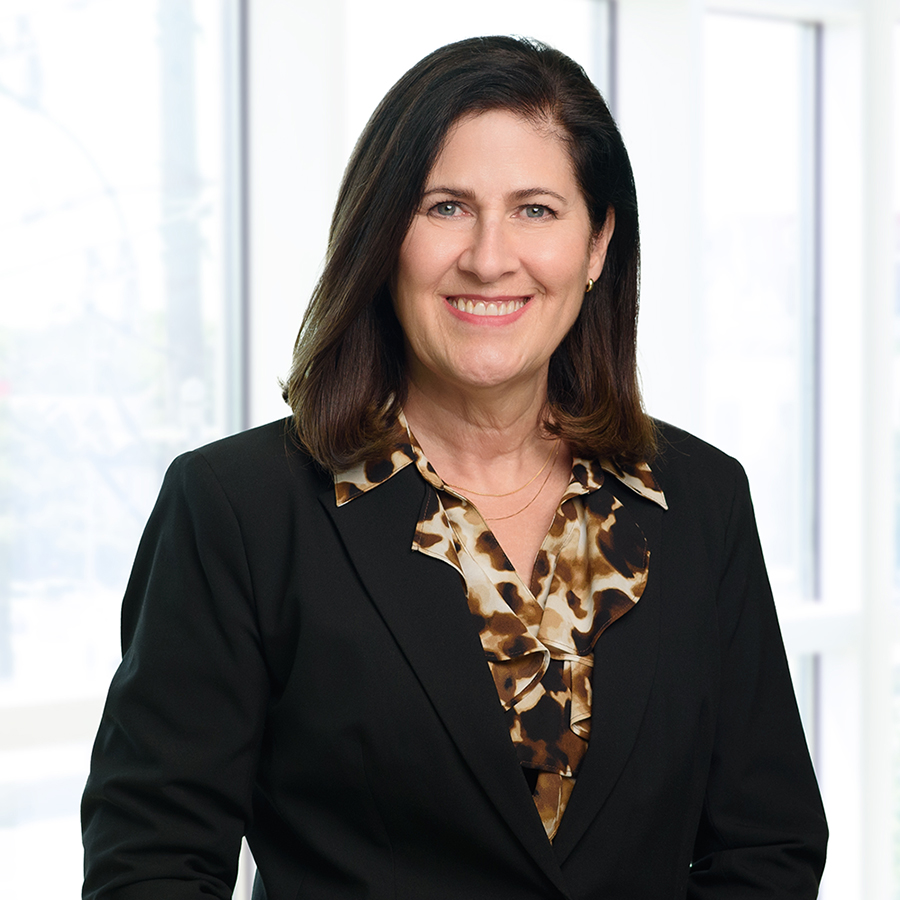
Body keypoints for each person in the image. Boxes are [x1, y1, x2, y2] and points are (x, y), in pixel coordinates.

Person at [82, 35, 827, 900]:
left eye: (537, 211)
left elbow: (766, 848)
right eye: (445, 207)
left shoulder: (701, 499)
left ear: (596, 246)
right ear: (382, 232)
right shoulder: (238, 510)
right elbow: (152, 866)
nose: (488, 256)